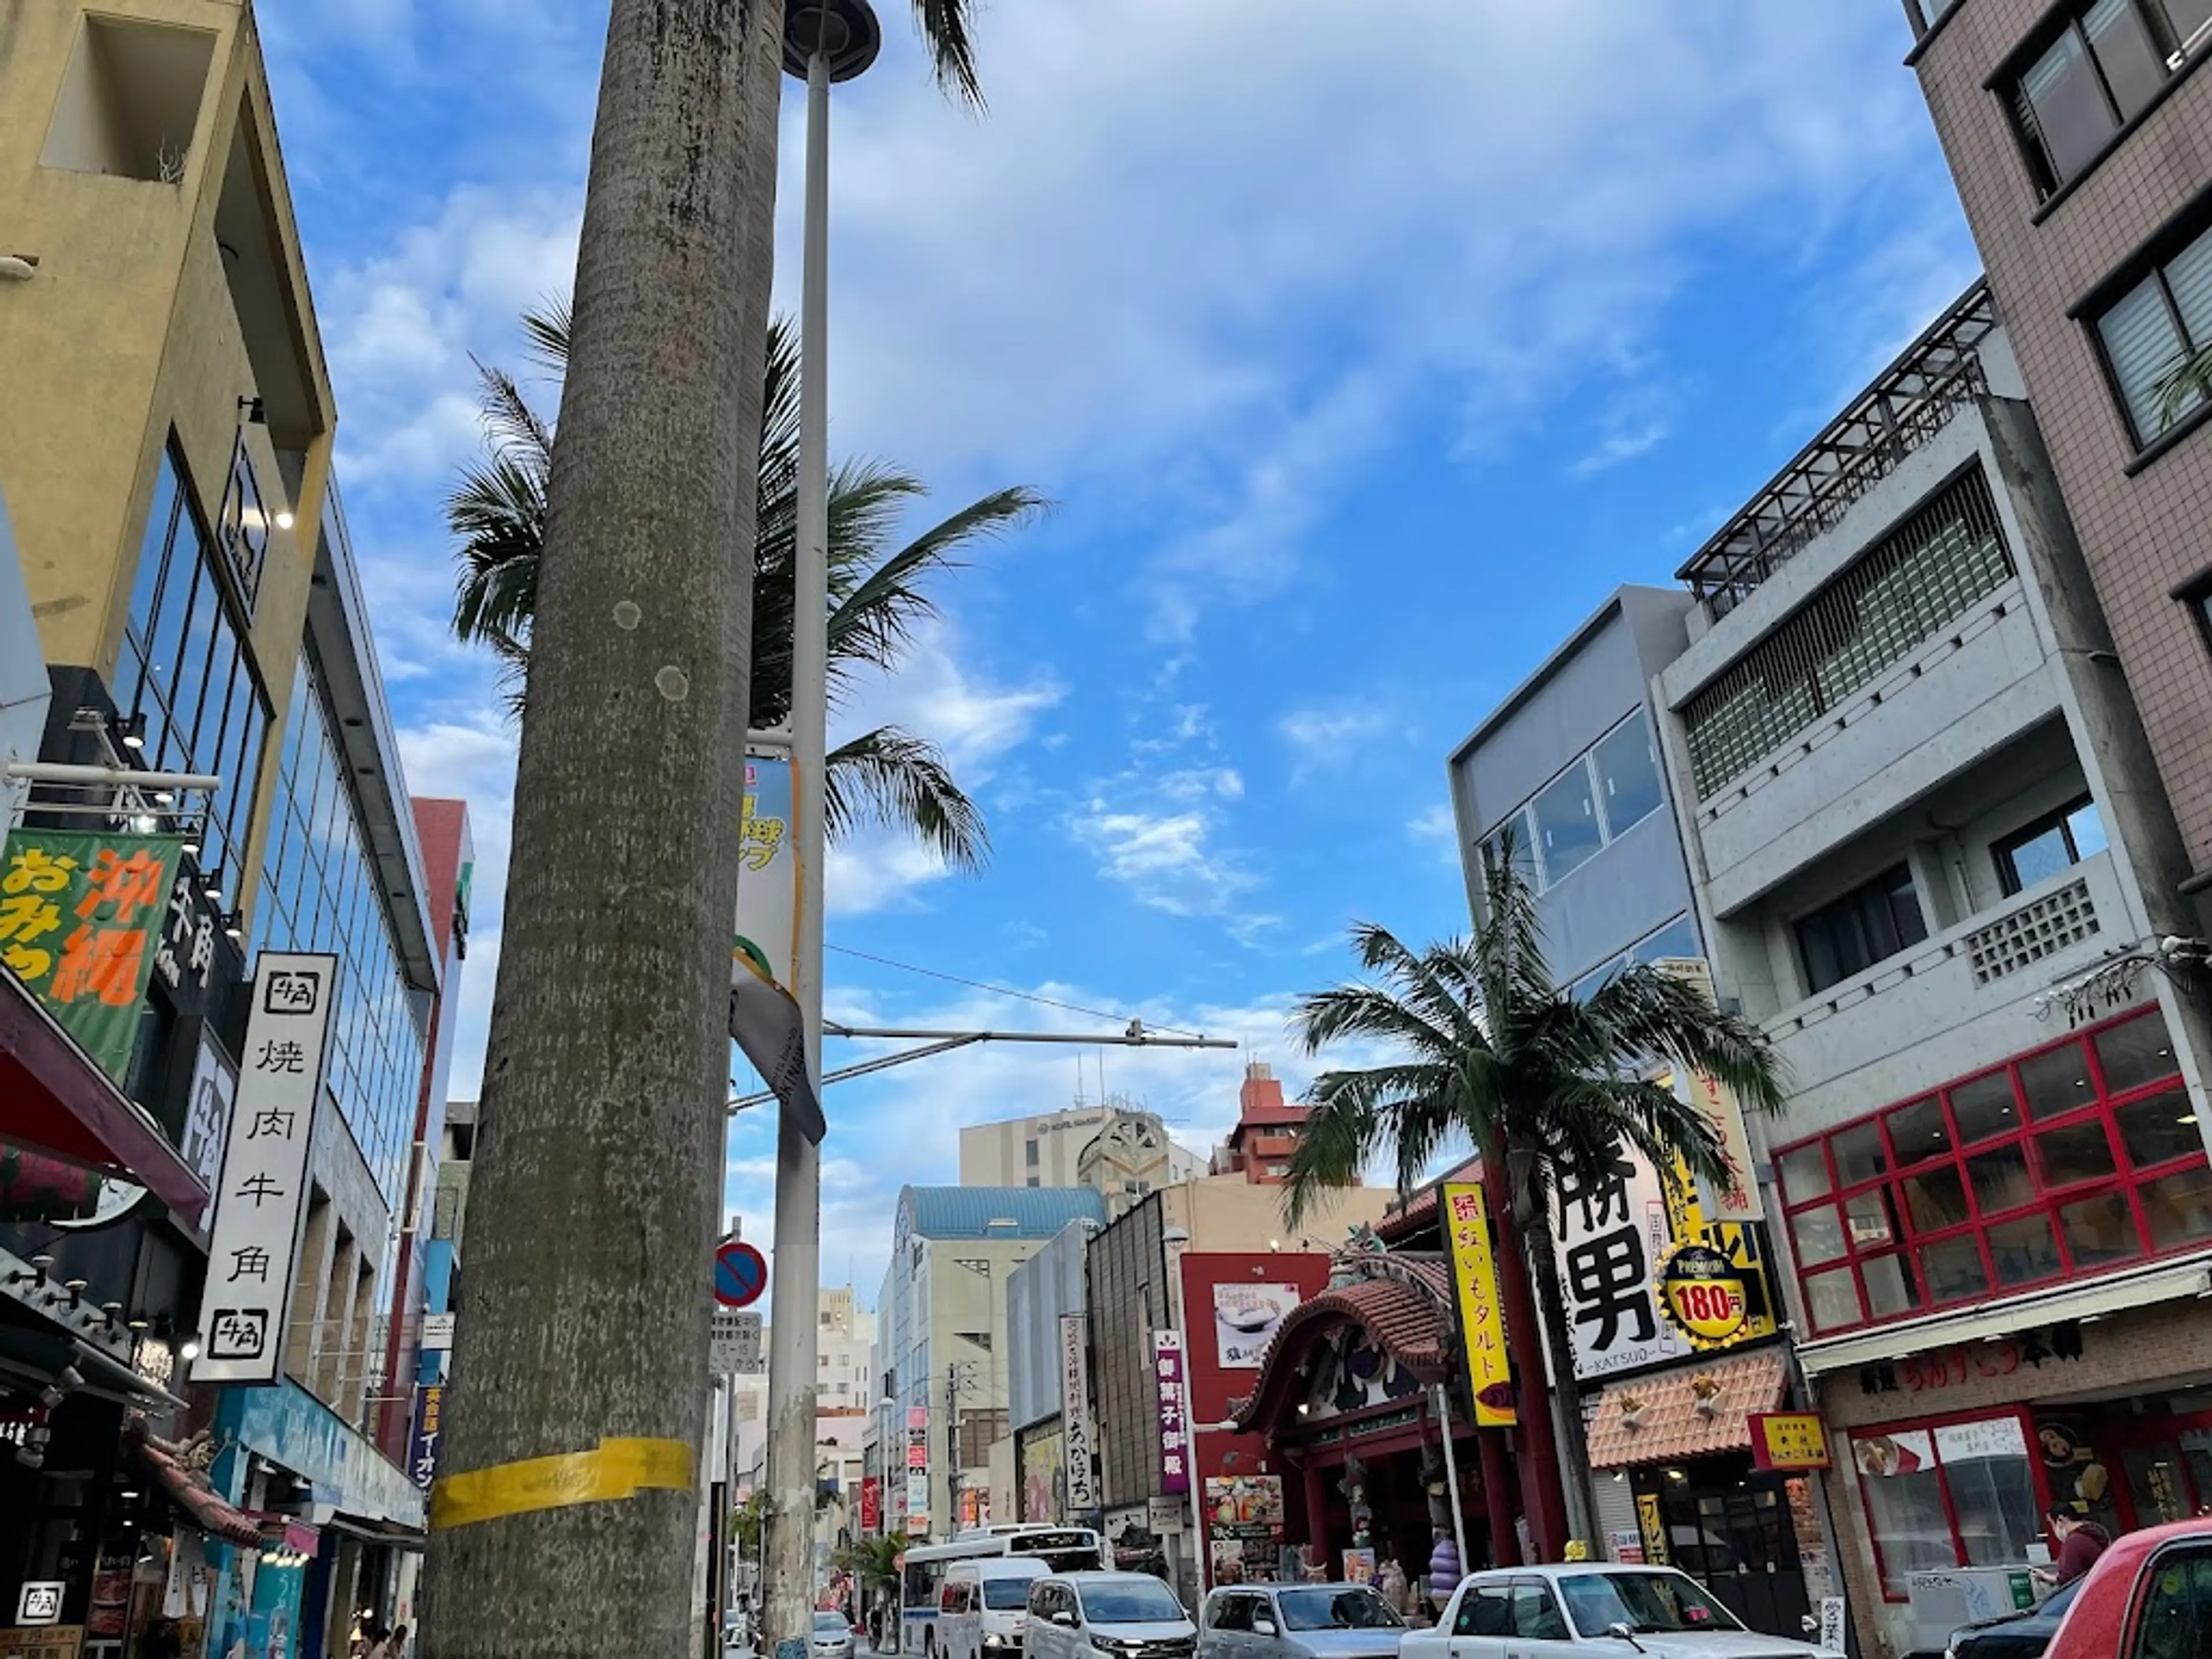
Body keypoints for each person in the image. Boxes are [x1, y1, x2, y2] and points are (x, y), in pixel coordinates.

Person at [2036, 1504, 2111, 1588]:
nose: (2053, 1530)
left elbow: (2068, 1580)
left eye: (2052, 1524)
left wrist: (2045, 1577)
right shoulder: (2090, 1534)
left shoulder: (2074, 1541)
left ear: (2061, 1520)